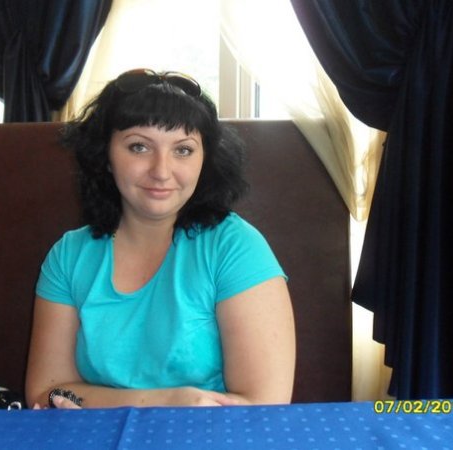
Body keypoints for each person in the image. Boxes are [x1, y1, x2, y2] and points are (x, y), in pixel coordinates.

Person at [25, 68, 296, 409]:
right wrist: (167, 400)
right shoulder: (69, 255)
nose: (161, 171)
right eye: (139, 147)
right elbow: (46, 392)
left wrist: (98, 402)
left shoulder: (235, 248)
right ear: (104, 155)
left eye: (183, 150)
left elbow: (264, 406)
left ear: (205, 160)